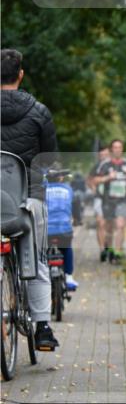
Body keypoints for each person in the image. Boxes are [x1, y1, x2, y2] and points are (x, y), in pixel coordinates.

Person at [0, 48, 60, 350]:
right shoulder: (39, 111)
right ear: (20, 74)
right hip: (28, 201)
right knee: (34, 260)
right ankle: (43, 327)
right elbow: (49, 159)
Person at [91, 139, 126, 263]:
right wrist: (107, 177)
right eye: (115, 147)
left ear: (122, 149)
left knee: (120, 225)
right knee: (109, 227)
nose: (117, 149)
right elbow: (95, 181)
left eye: (119, 147)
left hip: (123, 200)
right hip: (108, 200)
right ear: (112, 150)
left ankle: (117, 252)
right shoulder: (105, 165)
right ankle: (109, 249)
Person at [45, 169, 77, 290]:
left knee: (41, 252)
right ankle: (69, 276)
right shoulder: (67, 189)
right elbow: (73, 205)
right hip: (64, 229)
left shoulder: (42, 189)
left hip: (46, 231)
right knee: (67, 248)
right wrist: (77, 220)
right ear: (61, 178)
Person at [87, 145, 110, 260]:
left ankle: (109, 246)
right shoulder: (96, 167)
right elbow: (89, 180)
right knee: (100, 223)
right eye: (101, 155)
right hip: (99, 199)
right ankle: (102, 250)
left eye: (105, 154)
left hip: (113, 200)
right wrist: (93, 187)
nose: (103, 157)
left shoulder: (115, 166)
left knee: (110, 225)